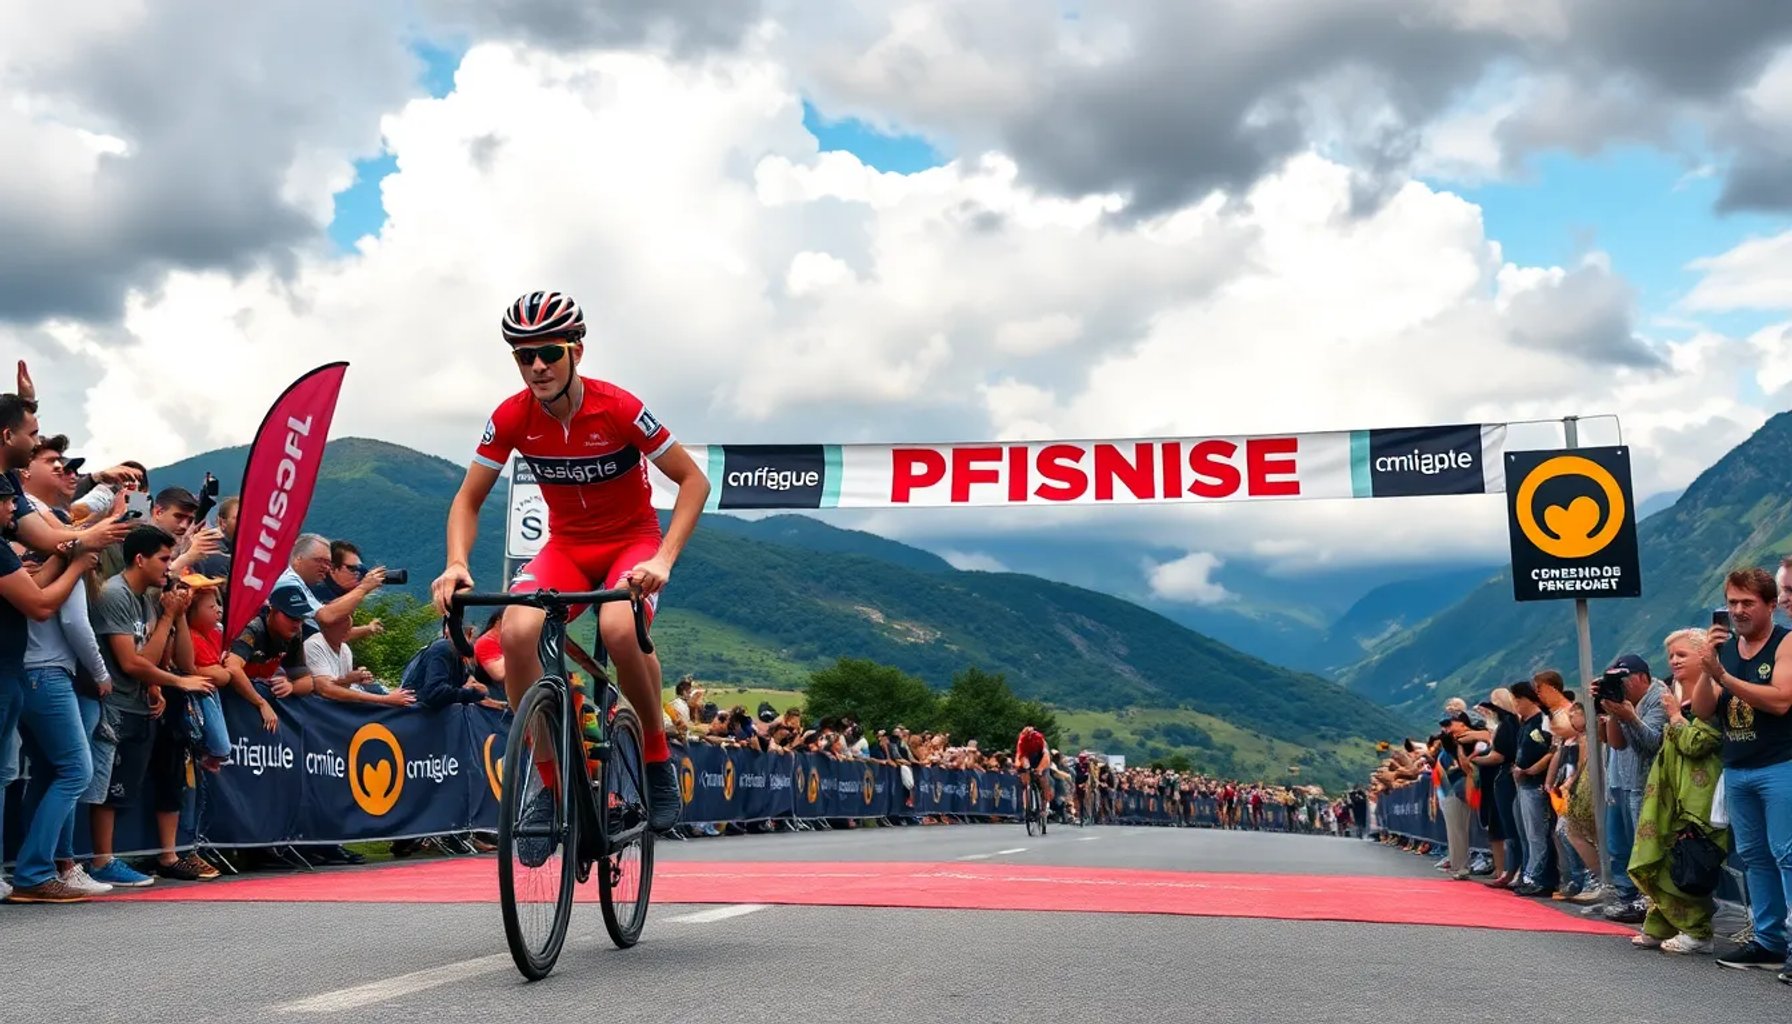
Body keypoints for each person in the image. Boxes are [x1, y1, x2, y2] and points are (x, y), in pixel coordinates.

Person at [430, 291, 711, 833]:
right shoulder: (511, 417)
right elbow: (467, 499)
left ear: (576, 351)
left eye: (549, 352)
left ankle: (656, 757)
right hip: (568, 546)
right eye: (523, 355)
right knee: (514, 632)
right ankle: (552, 786)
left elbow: (693, 480)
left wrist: (663, 558)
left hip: (632, 541)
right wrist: (456, 563)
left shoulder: (619, 407)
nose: (536, 366)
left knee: (620, 629)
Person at [1693, 567, 1792, 974]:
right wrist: (1708, 668)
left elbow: (1782, 700)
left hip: (1781, 763)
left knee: (1788, 854)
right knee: (1754, 856)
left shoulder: (1786, 643)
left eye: (1747, 603)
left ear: (1771, 605)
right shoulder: (1727, 651)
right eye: (1732, 602)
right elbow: (1701, 710)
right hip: (1737, 766)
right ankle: (1769, 940)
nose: (1737, 610)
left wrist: (1725, 678)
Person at [1627, 628, 1728, 955]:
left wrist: (1674, 716)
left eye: (1681, 654)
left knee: (1688, 859)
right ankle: (1661, 925)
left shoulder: (1714, 690)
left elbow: (1700, 742)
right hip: (1670, 792)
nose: (1673, 661)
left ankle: (1698, 931)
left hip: (1699, 794)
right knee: (1664, 857)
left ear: (1704, 656)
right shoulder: (1675, 689)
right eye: (1671, 655)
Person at [1014, 724, 1052, 813]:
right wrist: (1027, 768)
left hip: (1040, 757)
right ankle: (1027, 806)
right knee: (1025, 780)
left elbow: (1046, 757)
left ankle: (1045, 806)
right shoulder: (1022, 741)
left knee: (1043, 779)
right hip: (1027, 757)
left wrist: (1040, 769)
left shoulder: (1040, 739)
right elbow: (1021, 756)